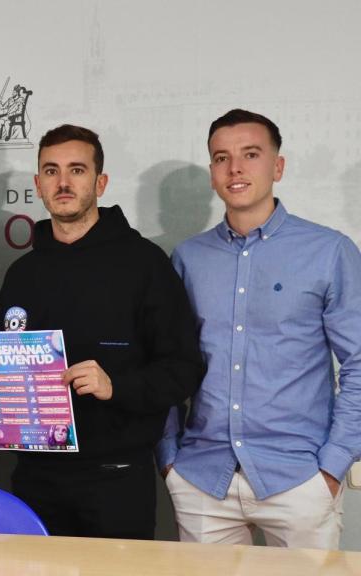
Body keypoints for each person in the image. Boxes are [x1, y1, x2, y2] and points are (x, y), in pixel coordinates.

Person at [0, 124, 203, 539]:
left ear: (100, 181)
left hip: (117, 477)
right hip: (35, 475)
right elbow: (6, 374)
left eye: (77, 170)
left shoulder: (145, 264)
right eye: (51, 171)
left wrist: (116, 386)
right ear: (38, 184)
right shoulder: (24, 273)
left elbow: (182, 368)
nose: (64, 182)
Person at [157, 109, 361, 549]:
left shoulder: (329, 252)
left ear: (278, 166)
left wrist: (333, 464)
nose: (235, 169)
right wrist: (169, 455)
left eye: (251, 154)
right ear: (212, 172)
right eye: (221, 158)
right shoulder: (187, 258)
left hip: (300, 477)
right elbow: (167, 362)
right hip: (202, 476)